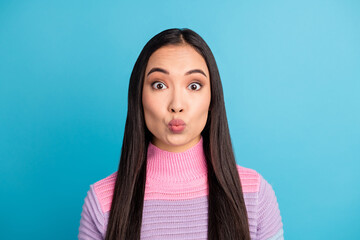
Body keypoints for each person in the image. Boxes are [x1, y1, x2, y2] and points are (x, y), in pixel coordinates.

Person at [78, 28, 284, 240]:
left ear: (212, 100)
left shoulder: (255, 194)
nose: (176, 105)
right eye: (159, 85)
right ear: (138, 97)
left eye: (194, 86)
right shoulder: (102, 201)